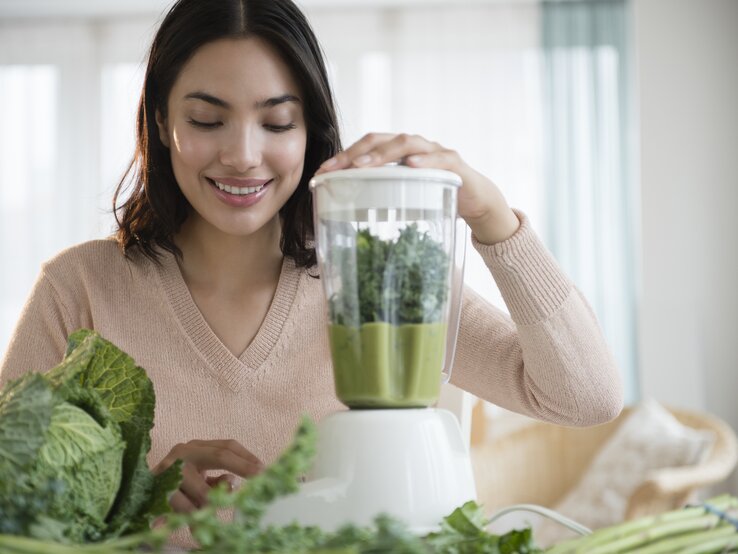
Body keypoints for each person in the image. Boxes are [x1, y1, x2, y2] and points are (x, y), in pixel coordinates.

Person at [0, 0, 622, 533]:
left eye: (276, 121)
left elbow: (585, 397)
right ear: (161, 122)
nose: (243, 155)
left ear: (310, 132)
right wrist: (138, 496)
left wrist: (492, 219)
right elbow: (12, 502)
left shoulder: (376, 282)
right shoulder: (78, 289)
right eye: (207, 119)